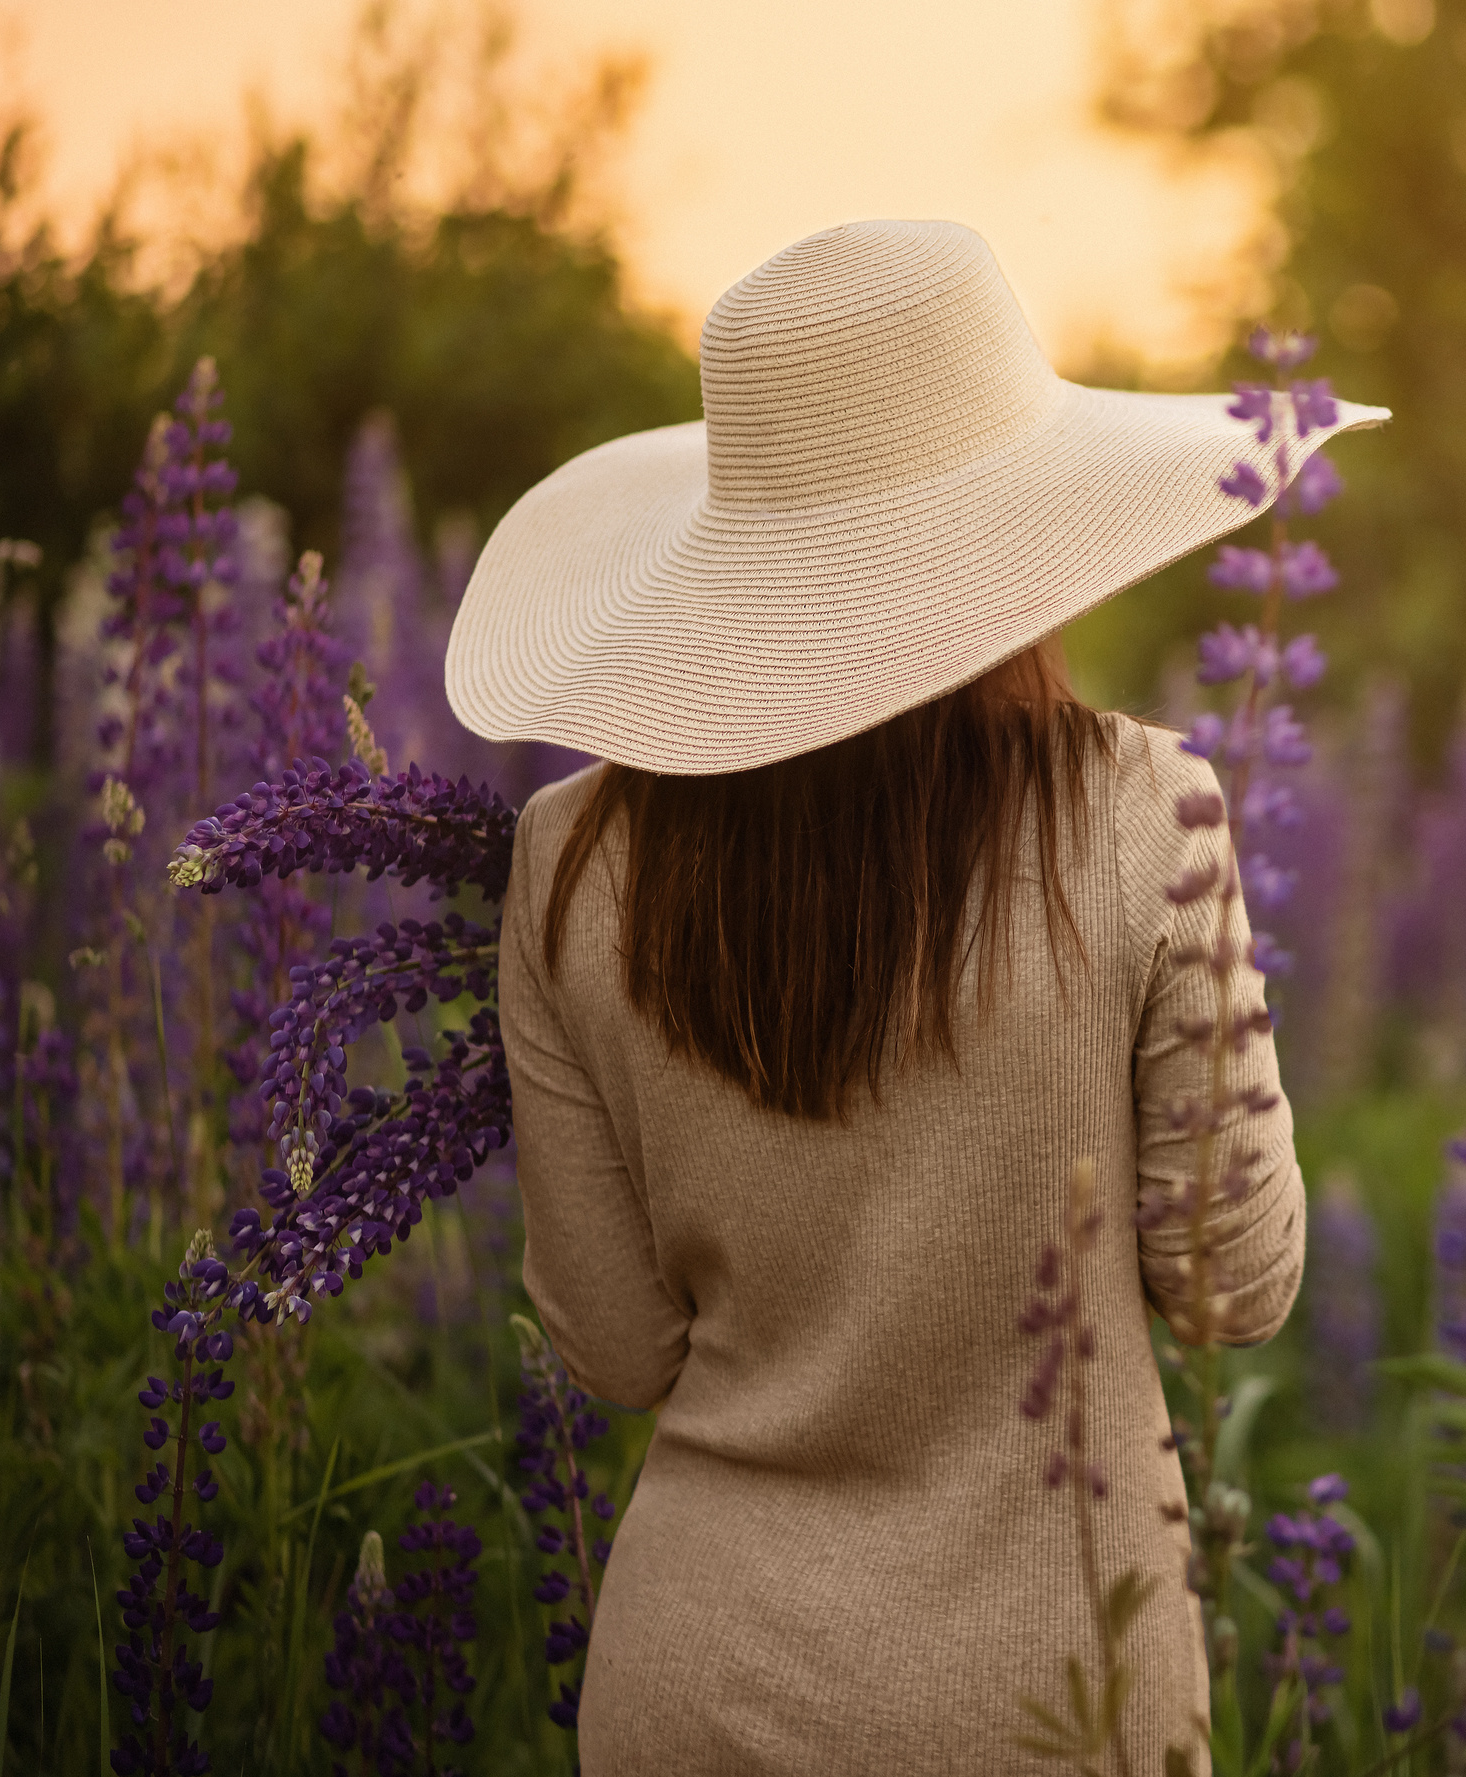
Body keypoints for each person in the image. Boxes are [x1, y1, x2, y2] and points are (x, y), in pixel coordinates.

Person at [445, 219, 1384, 1773]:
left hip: (697, 1693)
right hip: (1056, 1704)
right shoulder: (1149, 813)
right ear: (1024, 535)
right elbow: (1235, 1283)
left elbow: (612, 1347)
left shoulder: (569, 858)